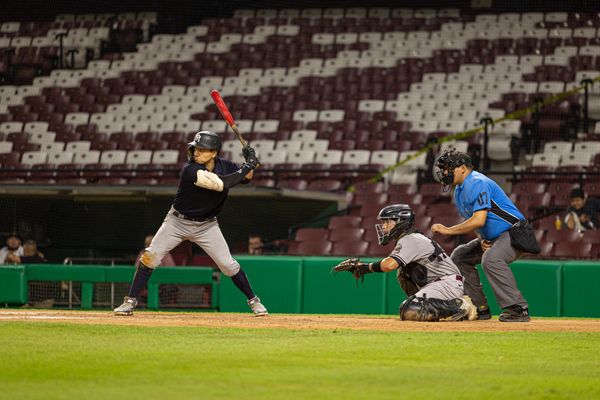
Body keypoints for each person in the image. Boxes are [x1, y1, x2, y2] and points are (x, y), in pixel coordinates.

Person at [114, 131, 268, 316]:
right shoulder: (190, 169)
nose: (196, 153)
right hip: (177, 222)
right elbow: (221, 184)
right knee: (150, 257)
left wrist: (250, 162)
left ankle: (254, 300)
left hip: (207, 225)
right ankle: (129, 302)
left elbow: (246, 178)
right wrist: (247, 166)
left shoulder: (224, 165)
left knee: (228, 265)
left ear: (214, 152)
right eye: (196, 148)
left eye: (202, 150)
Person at [431, 149, 535, 322]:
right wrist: (482, 239)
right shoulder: (459, 190)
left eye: (448, 168)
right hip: (496, 236)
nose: (444, 172)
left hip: (515, 232)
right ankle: (479, 308)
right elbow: (477, 220)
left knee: (491, 259)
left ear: (462, 168)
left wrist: (448, 230)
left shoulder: (477, 182)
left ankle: (517, 308)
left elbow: (479, 220)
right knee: (460, 256)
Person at [333, 204, 477, 322]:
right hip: (441, 283)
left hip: (446, 284)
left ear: (400, 222)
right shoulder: (411, 238)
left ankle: (459, 305)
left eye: (387, 222)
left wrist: (364, 268)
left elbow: (388, 265)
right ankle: (434, 306)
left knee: (409, 309)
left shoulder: (411, 239)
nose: (383, 227)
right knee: (403, 273)